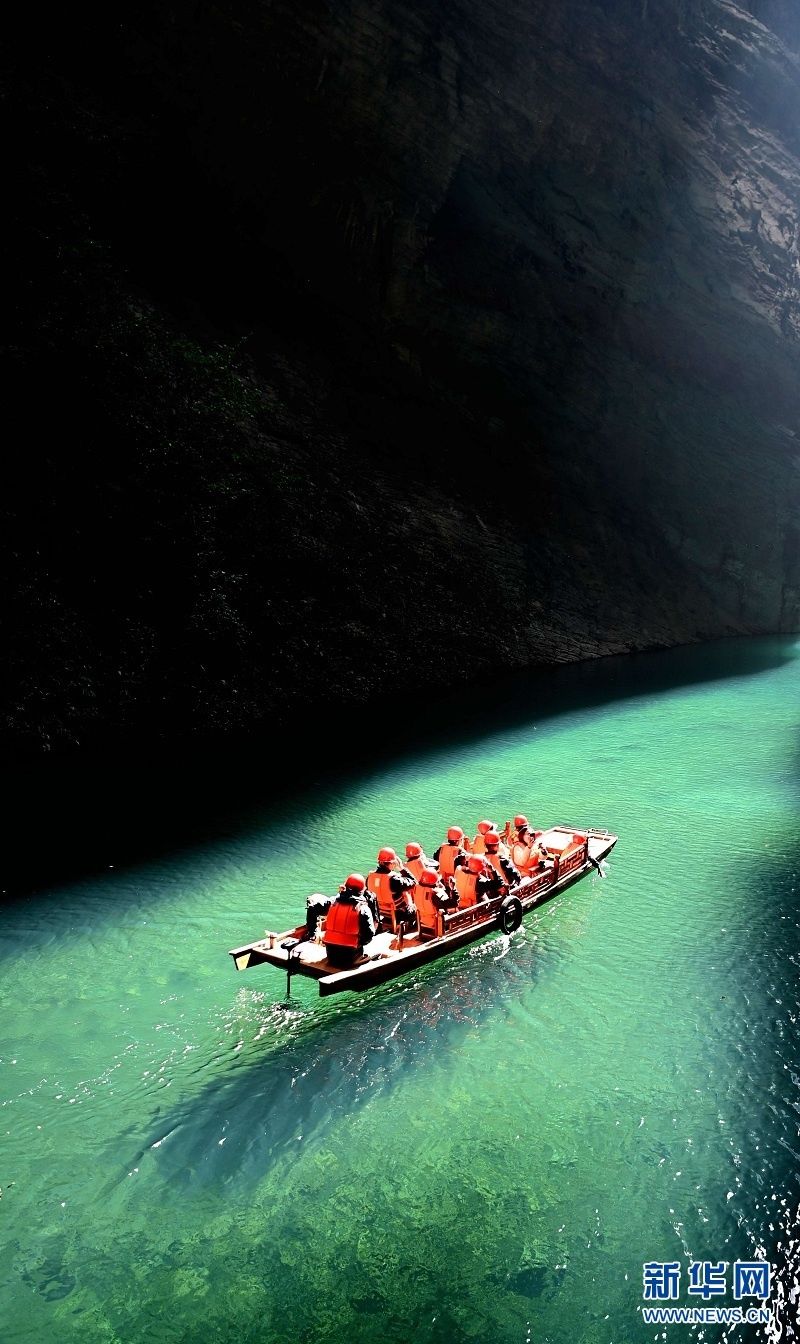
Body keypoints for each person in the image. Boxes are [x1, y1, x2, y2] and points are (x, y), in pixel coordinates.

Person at [323, 874, 378, 968]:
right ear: (362, 890)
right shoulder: (363, 908)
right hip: (350, 956)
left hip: (330, 954)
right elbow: (369, 934)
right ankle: (357, 959)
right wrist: (360, 941)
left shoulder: (332, 902)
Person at [366, 847, 418, 930]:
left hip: (379, 911)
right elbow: (413, 882)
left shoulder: (370, 876)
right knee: (417, 909)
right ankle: (409, 930)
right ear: (392, 862)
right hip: (398, 913)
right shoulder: (394, 879)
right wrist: (401, 868)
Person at [415, 866, 457, 932]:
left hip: (422, 919)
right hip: (436, 921)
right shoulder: (435, 893)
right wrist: (453, 889)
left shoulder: (417, 888)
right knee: (455, 910)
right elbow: (454, 903)